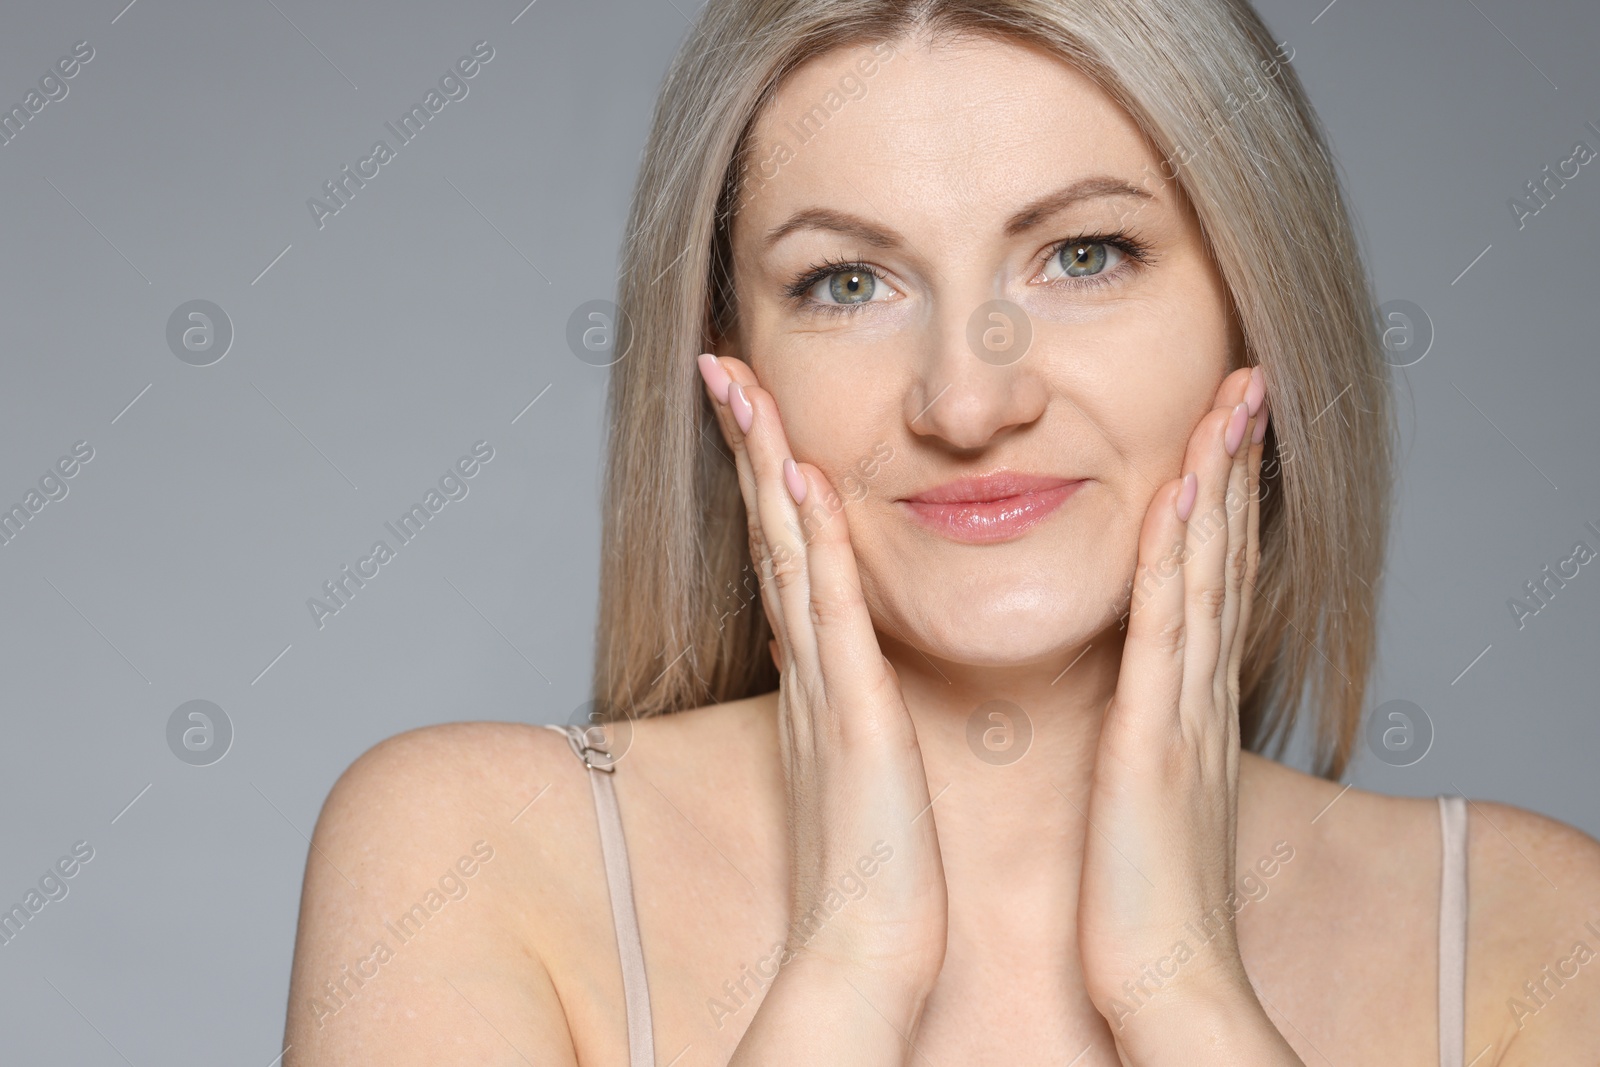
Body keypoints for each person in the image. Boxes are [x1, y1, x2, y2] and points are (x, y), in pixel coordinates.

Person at [281, 1, 1600, 1063]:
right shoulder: (467, 856)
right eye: (847, 283)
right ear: (733, 360)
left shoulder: (1535, 934)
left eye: (1085, 255)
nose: (968, 400)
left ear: (1255, 310)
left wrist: (1183, 988)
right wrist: (848, 971)